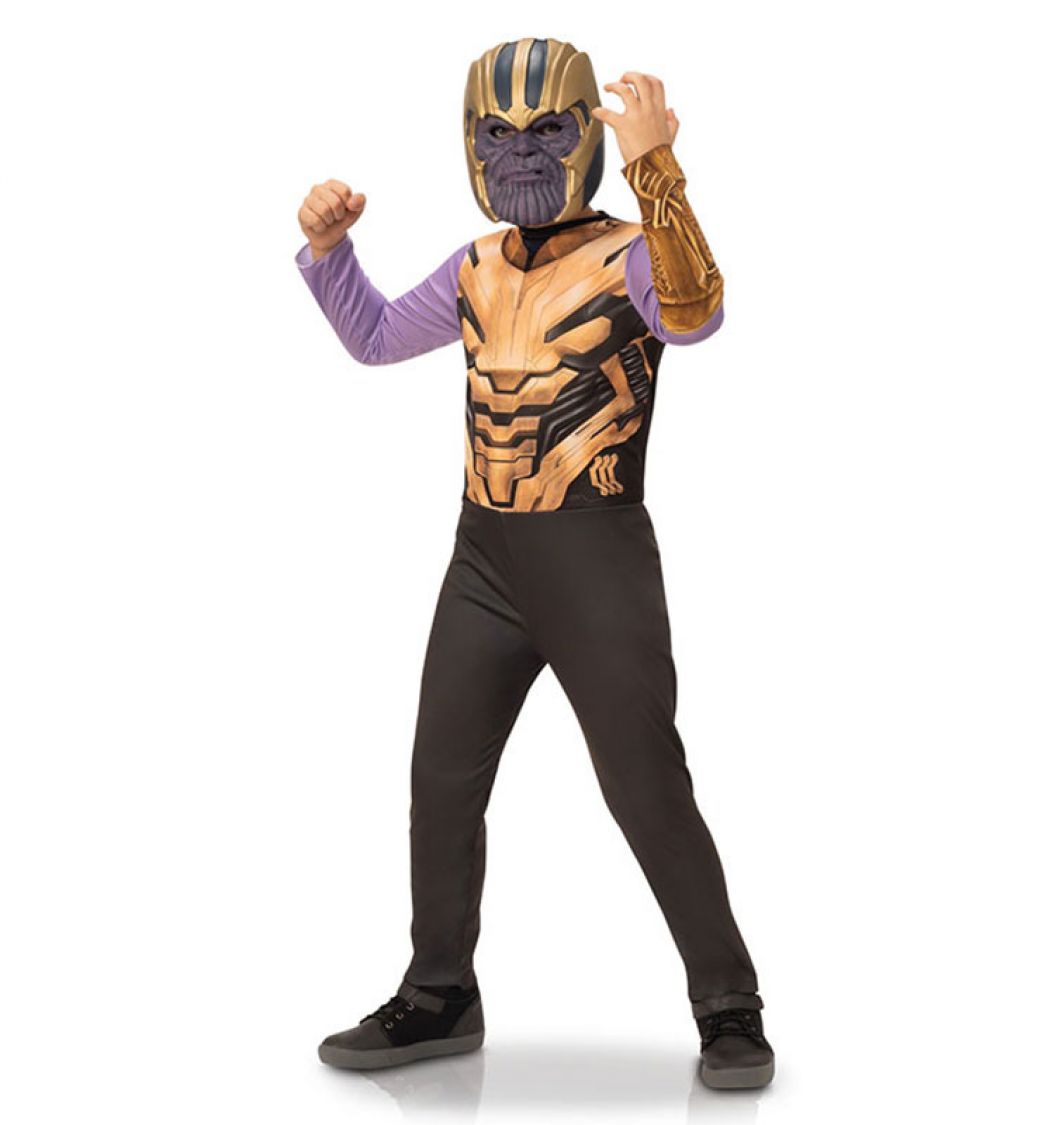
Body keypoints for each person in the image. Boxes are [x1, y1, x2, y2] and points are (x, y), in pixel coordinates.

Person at [295, 36, 774, 1091]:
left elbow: (696, 316)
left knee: (645, 785)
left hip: (593, 551)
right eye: (496, 134)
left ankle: (727, 1003)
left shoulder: (634, 254)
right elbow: (376, 338)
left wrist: (657, 170)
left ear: (586, 137)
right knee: (440, 778)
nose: (519, 153)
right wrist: (330, 254)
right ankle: (438, 991)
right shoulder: (475, 266)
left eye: (547, 131)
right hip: (484, 555)